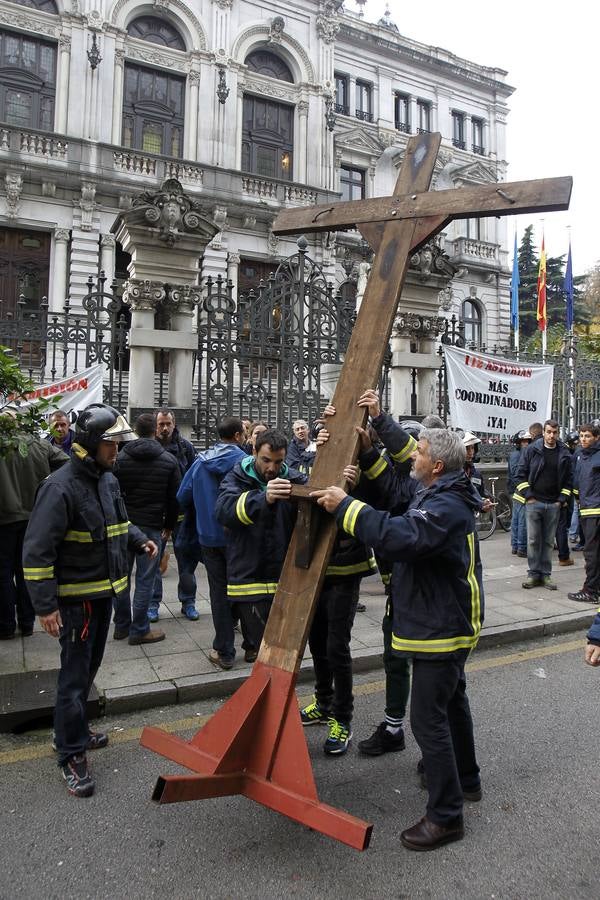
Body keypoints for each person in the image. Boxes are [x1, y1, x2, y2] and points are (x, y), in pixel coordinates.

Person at [311, 426, 483, 851]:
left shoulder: (446, 504)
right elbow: (394, 493)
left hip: (441, 627)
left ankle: (446, 817)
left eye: (419, 451)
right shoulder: (438, 492)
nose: (413, 456)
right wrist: (370, 450)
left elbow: (400, 535)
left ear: (437, 466)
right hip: (441, 620)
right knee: (453, 702)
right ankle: (466, 779)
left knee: (428, 720)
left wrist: (345, 507)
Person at [22, 404, 158, 797]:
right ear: (89, 444)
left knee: (88, 670)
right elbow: (36, 553)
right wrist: (45, 607)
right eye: (111, 445)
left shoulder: (106, 479)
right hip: (75, 602)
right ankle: (70, 752)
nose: (117, 452)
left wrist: (138, 539)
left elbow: (118, 521)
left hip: (103, 594)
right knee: (74, 677)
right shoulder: (59, 486)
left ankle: (73, 729)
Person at [215, 429, 306, 656]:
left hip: (284, 580)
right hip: (249, 579)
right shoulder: (236, 477)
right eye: (266, 460)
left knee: (278, 651)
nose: (272, 469)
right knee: (263, 649)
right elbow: (224, 511)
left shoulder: (293, 479)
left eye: (278, 462)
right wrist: (262, 498)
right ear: (254, 451)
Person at [177, 416, 247, 670]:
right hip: (239, 536)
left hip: (208, 536)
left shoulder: (200, 462)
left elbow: (182, 496)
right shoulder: (245, 463)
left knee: (219, 593)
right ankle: (251, 646)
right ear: (238, 436)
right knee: (245, 588)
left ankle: (225, 650)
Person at [113, 413, 181, 643]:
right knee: (145, 579)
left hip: (124, 526)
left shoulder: (121, 458)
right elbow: (174, 499)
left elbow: (113, 493)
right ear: (154, 431)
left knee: (121, 578)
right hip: (152, 526)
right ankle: (139, 629)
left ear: (134, 430)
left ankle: (122, 625)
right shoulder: (168, 460)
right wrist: (169, 526)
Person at [0, 429, 68, 639]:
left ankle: (5, 625)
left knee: (3, 573)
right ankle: (27, 623)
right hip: (34, 515)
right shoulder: (39, 445)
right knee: (26, 571)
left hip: (4, 518)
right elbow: (67, 463)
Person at [514, 419, 572, 590]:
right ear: (544, 432)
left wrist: (561, 500)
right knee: (532, 540)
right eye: (548, 432)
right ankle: (533, 574)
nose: (551, 436)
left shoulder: (564, 452)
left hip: (553, 504)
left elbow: (569, 480)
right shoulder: (532, 449)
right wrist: (529, 496)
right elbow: (519, 475)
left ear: (558, 433)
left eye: (555, 432)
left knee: (547, 542)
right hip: (534, 503)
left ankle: (545, 575)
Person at [151, 408, 197, 620]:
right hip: (157, 514)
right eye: (161, 424)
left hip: (181, 514)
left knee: (186, 559)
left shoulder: (185, 447)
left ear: (174, 424)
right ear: (155, 425)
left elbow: (193, 477)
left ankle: (188, 601)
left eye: (168, 423)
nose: (165, 427)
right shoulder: (150, 447)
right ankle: (153, 603)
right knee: (154, 559)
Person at [568, 422, 600, 603]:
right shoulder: (579, 455)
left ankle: (590, 591)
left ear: (596, 437)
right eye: (581, 436)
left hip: (595, 510)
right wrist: (577, 497)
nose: (583, 439)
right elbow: (576, 480)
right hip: (586, 509)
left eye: (587, 436)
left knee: (592, 553)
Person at [507, 430, 532, 558]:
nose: (526, 444)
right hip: (520, 491)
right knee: (521, 521)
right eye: (523, 441)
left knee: (516, 519)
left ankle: (516, 546)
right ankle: (521, 547)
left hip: (518, 490)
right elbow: (517, 474)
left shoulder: (520, 454)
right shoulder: (517, 455)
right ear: (518, 443)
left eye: (528, 441)